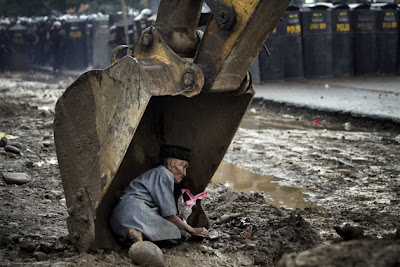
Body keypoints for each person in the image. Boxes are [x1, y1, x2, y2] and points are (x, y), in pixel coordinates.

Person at [109, 144, 209, 244]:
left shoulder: (158, 172)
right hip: (134, 214)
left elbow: (166, 212)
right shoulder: (164, 174)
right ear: (170, 164)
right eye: (183, 167)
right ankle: (140, 234)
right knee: (179, 233)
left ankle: (135, 236)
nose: (184, 173)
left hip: (120, 220)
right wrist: (192, 230)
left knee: (177, 227)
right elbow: (169, 216)